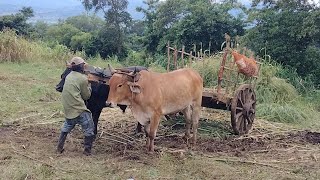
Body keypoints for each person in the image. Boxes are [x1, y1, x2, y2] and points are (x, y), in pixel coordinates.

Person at [56, 56, 95, 156]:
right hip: (78, 109)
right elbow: (86, 96)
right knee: (89, 128)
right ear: (81, 67)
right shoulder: (83, 79)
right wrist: (89, 86)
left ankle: (59, 147)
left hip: (68, 108)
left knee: (67, 126)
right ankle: (87, 151)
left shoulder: (69, 76)